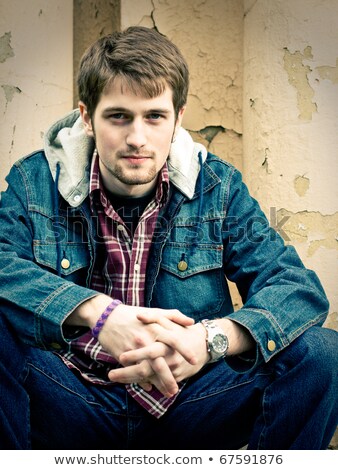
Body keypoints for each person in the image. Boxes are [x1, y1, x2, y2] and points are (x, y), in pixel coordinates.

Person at [0, 26, 337, 451]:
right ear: (87, 117)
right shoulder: (35, 182)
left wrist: (211, 340)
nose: (137, 138)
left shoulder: (218, 187)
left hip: (192, 403)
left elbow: (296, 289)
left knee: (322, 353)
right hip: (71, 399)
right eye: (118, 116)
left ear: (178, 118)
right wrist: (98, 314)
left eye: (154, 117)